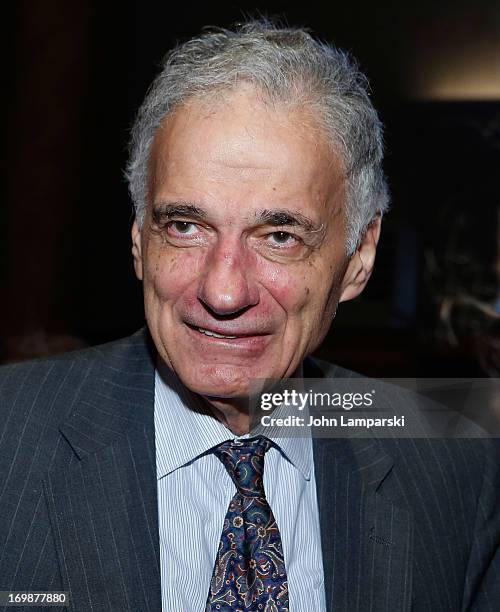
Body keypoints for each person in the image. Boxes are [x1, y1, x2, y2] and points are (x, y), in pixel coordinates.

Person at [0, 20, 498, 612]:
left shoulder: (458, 456)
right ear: (138, 238)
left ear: (359, 258)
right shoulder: (11, 433)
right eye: (185, 226)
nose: (223, 289)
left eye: (279, 236)